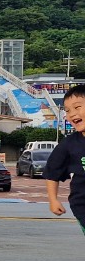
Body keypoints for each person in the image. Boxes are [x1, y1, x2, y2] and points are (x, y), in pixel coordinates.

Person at [44, 84, 85, 232]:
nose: (72, 114)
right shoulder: (69, 144)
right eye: (67, 111)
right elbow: (52, 172)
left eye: (77, 107)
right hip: (83, 206)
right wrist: (53, 200)